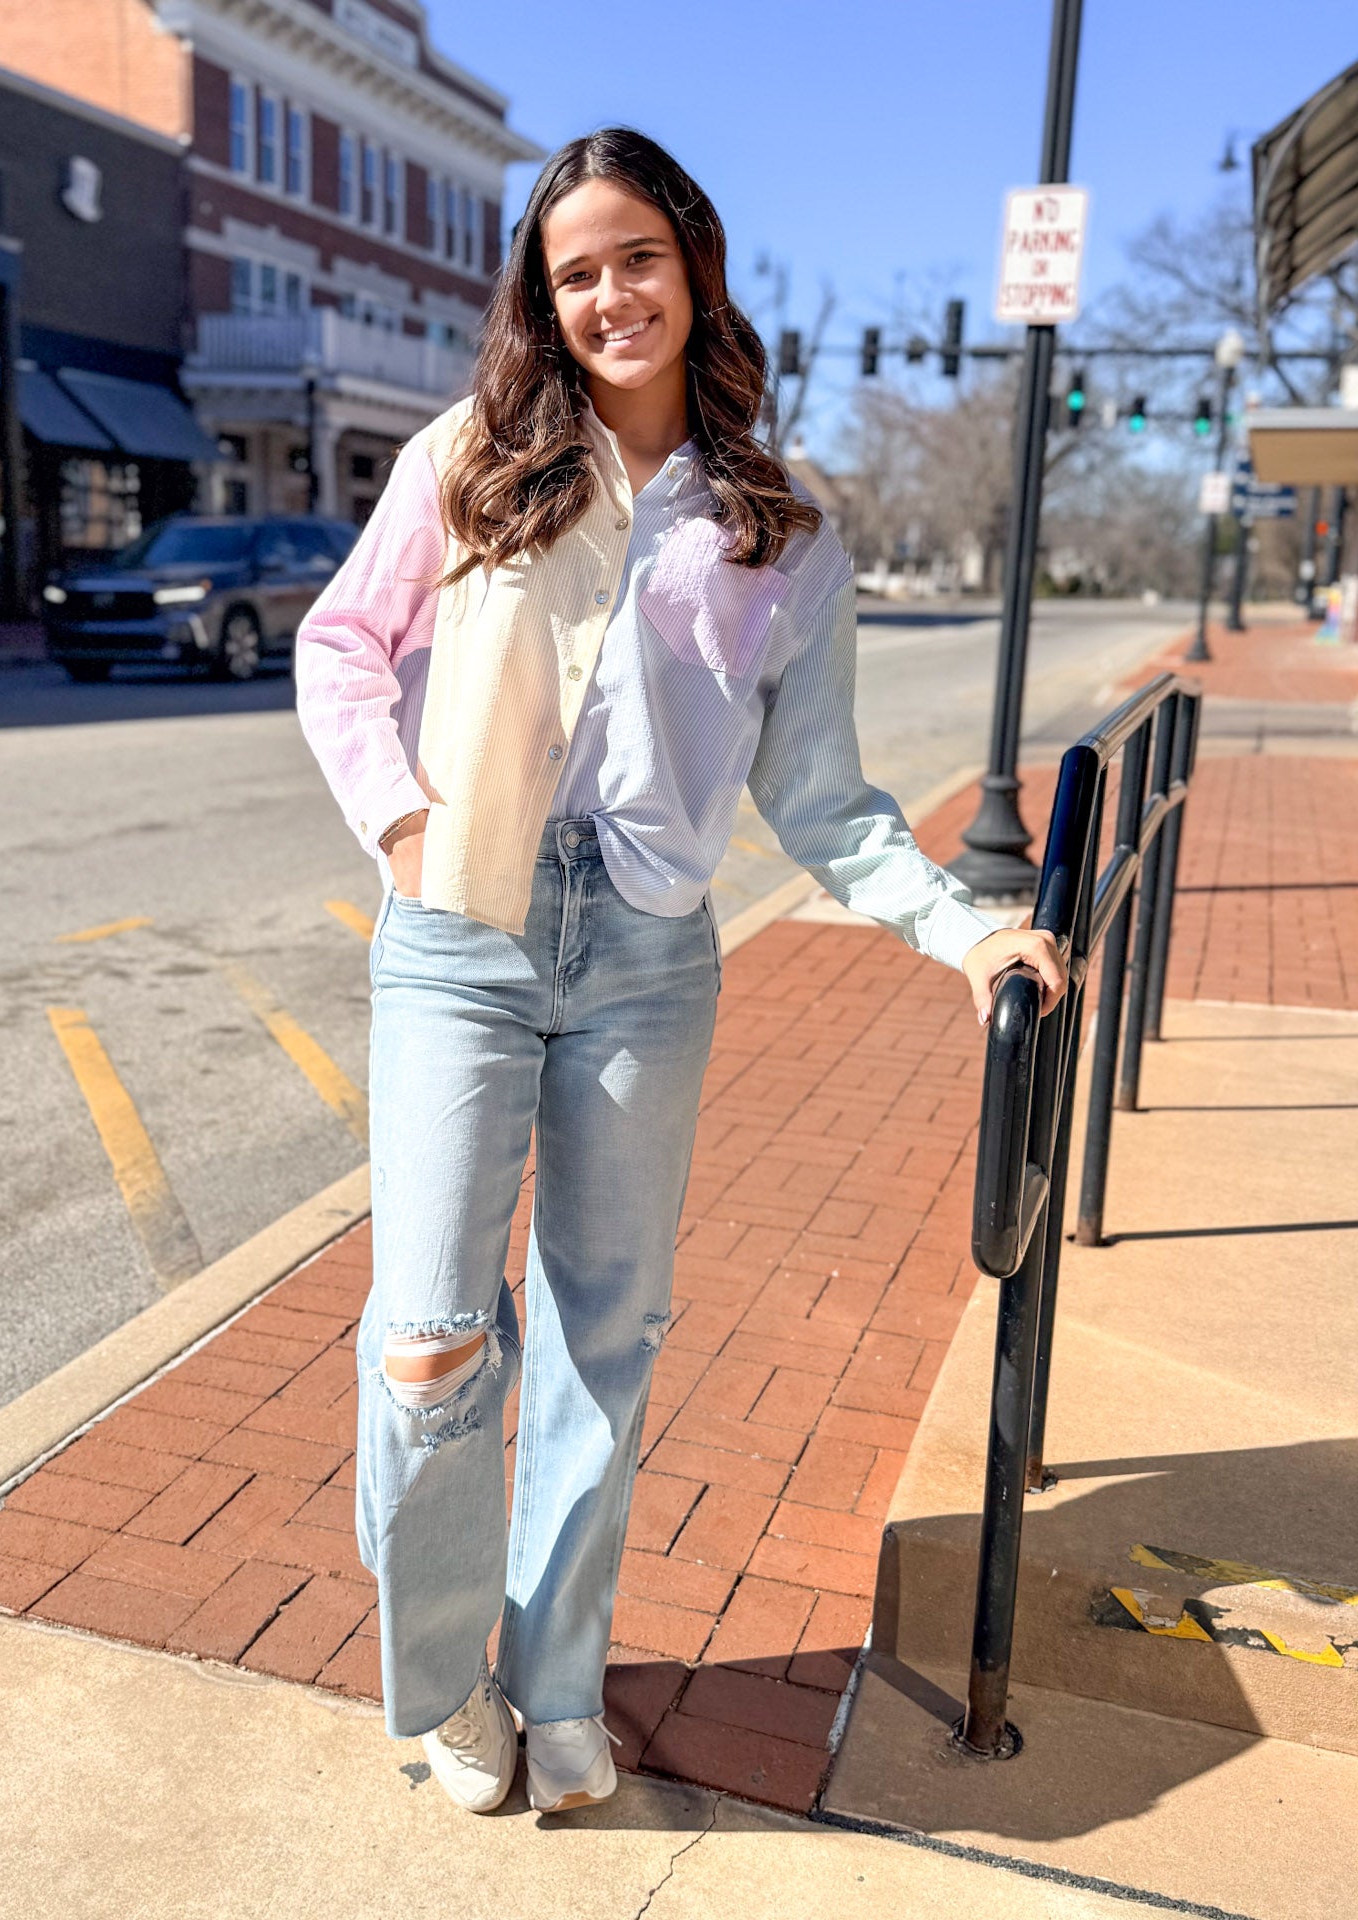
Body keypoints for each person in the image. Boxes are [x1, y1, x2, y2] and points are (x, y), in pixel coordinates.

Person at [296, 127, 1065, 1817]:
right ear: (543, 298)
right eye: (574, 271)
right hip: (461, 941)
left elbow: (827, 801)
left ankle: (559, 1680)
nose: (607, 294)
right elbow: (342, 644)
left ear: (692, 265)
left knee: (600, 1339)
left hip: (649, 957)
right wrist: (404, 823)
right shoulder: (477, 456)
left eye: (634, 256)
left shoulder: (779, 531)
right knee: (430, 1339)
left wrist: (964, 928)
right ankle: (441, 1687)